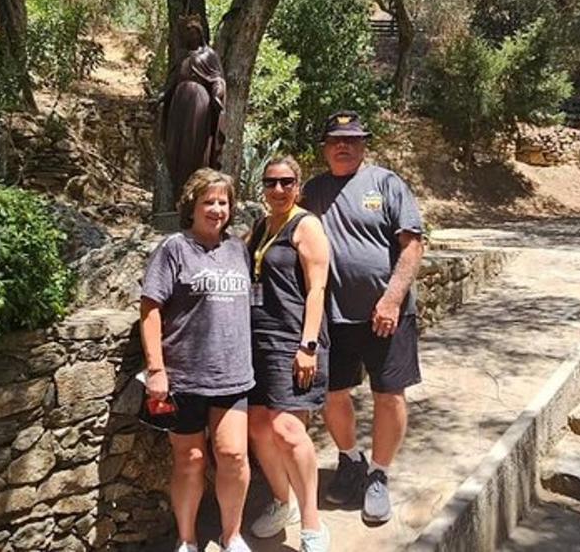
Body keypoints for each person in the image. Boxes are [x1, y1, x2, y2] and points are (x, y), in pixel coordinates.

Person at [300, 111, 425, 526]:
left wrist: (391, 300)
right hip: (333, 318)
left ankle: (378, 474)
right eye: (336, 139)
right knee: (335, 395)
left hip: (387, 315)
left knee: (389, 395)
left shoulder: (387, 184)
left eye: (352, 140)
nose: (344, 146)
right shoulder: (313, 191)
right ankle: (351, 461)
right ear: (325, 146)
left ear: (363, 144)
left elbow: (412, 247)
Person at [140, 168, 254, 552]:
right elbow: (151, 308)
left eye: (223, 202)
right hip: (184, 376)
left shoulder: (239, 249)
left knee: (233, 455)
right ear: (192, 205)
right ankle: (187, 539)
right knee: (189, 459)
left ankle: (231, 535)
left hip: (233, 374)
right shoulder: (174, 249)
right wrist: (156, 369)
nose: (217, 209)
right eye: (209, 201)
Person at [246, 156, 332, 551]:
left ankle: (311, 525)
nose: (277, 190)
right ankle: (283, 502)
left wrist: (307, 346)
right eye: (270, 182)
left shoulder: (306, 225)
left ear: (298, 186)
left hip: (293, 341)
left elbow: (317, 288)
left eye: (286, 182)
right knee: (258, 425)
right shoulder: (262, 226)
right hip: (258, 339)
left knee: (288, 429)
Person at [159, 19, 227, 196]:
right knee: (174, 146)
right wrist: (161, 97)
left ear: (200, 34)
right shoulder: (182, 55)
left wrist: (218, 91)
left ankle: (195, 187)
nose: (191, 35)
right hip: (178, 103)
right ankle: (177, 189)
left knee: (193, 146)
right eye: (187, 32)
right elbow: (172, 82)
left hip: (198, 103)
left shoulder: (209, 55)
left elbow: (217, 78)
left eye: (194, 31)